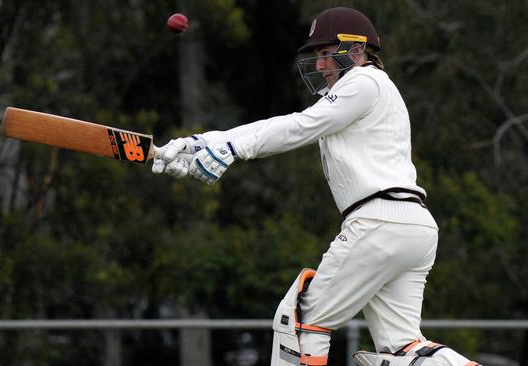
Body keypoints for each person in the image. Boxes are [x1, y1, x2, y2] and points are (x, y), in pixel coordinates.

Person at [152, 6, 481, 366]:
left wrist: (233, 149)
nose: (321, 65)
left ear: (355, 51)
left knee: (301, 324)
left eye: (326, 54)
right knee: (403, 348)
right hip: (413, 228)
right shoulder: (371, 90)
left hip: (379, 224)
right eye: (318, 56)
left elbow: (300, 127)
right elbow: (284, 124)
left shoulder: (364, 82)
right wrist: (200, 143)